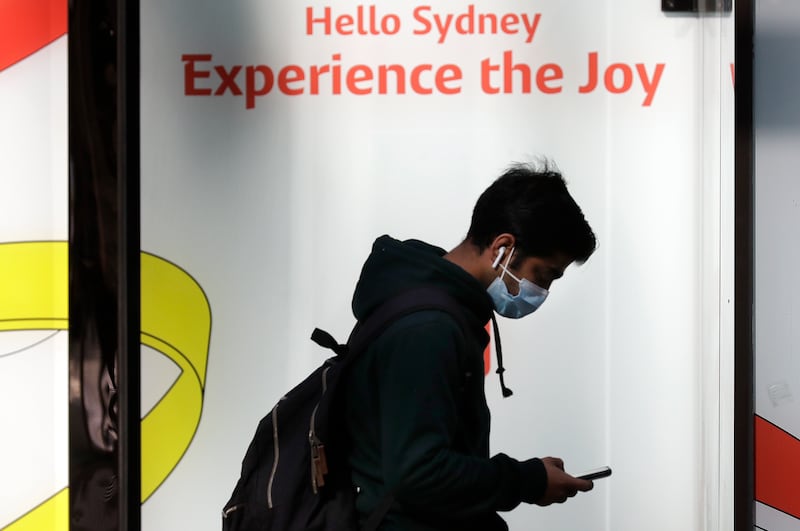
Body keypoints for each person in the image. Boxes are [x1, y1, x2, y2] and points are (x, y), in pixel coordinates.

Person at [342, 160, 598, 531]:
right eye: (543, 275)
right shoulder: (429, 329)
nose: (542, 291)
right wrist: (528, 481)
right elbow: (420, 473)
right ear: (503, 248)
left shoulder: (428, 305)